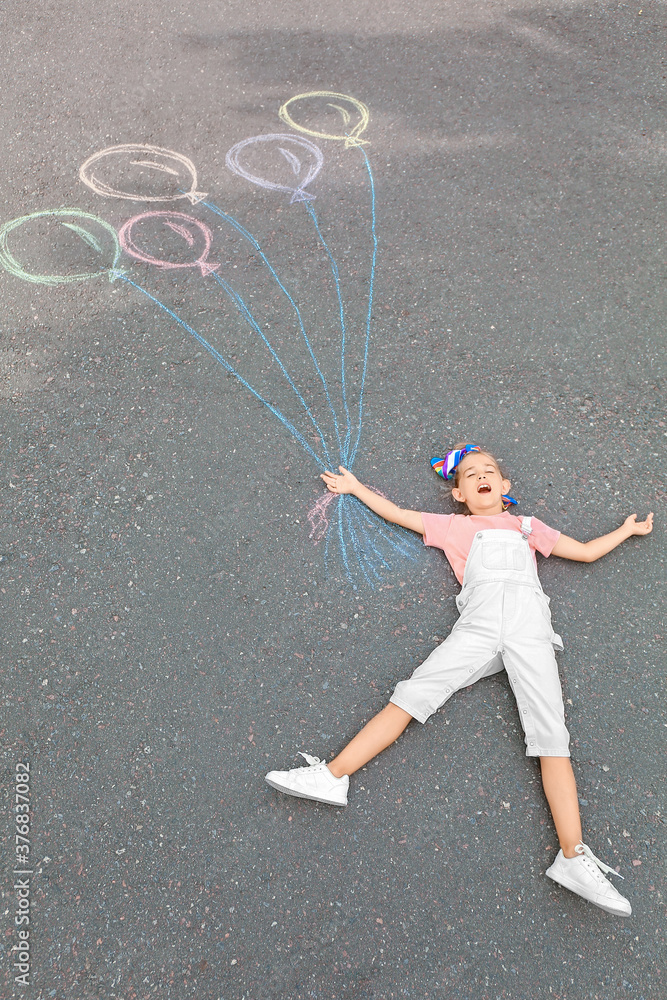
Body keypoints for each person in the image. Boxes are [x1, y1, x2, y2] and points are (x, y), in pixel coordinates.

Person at [265, 444, 654, 916]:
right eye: (471, 475)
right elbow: (398, 513)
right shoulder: (454, 528)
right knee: (413, 694)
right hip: (479, 630)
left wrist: (626, 530)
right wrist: (354, 488)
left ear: (505, 487)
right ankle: (332, 776)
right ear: (458, 493)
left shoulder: (529, 528)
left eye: (490, 471)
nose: (482, 477)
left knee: (553, 737)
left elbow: (587, 553)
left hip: (531, 634)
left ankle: (573, 857)